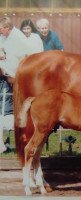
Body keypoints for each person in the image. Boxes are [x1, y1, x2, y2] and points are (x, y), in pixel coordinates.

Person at [0, 17, 30, 152]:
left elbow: (22, 57)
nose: (0, 31)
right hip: (5, 75)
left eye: (1, 29)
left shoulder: (18, 38)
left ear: (7, 28)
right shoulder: (4, 37)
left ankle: (20, 140)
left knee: (9, 109)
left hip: (14, 76)